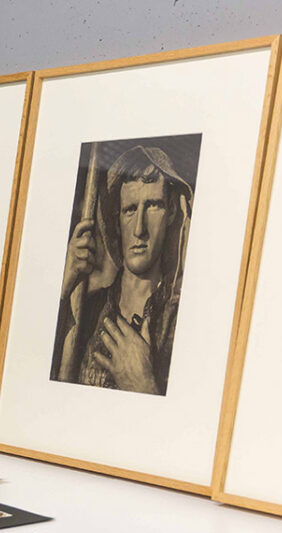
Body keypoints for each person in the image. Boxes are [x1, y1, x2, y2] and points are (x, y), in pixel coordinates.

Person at [55, 145, 192, 394]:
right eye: (130, 210)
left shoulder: (182, 321)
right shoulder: (87, 309)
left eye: (153, 206)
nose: (139, 229)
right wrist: (64, 286)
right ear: (116, 220)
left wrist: (143, 384)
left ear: (171, 212)